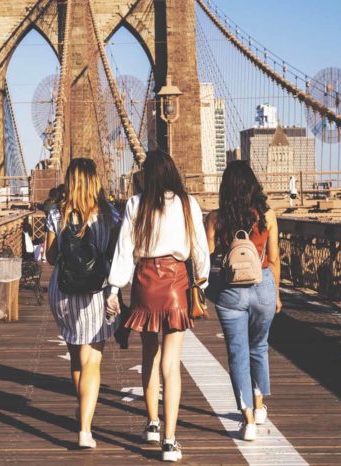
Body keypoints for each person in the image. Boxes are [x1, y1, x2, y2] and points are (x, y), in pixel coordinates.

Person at [106, 151, 209, 462]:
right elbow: (199, 248)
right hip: (177, 284)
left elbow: (125, 249)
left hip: (145, 282)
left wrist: (114, 288)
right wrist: (201, 284)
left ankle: (152, 423)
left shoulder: (136, 204)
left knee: (149, 353)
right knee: (171, 362)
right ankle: (169, 440)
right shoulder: (189, 204)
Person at [204, 160, 281, 442]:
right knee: (259, 346)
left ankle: (247, 418)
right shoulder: (267, 215)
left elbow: (207, 258)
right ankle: (260, 404)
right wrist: (277, 295)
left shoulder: (216, 217)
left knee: (238, 354)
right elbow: (274, 259)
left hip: (230, 291)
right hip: (263, 287)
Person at [45, 158, 120, 449]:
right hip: (94, 294)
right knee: (94, 360)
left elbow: (50, 258)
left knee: (77, 356)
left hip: (62, 294)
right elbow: (113, 255)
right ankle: (85, 429)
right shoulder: (109, 214)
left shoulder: (57, 213)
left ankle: (82, 410)